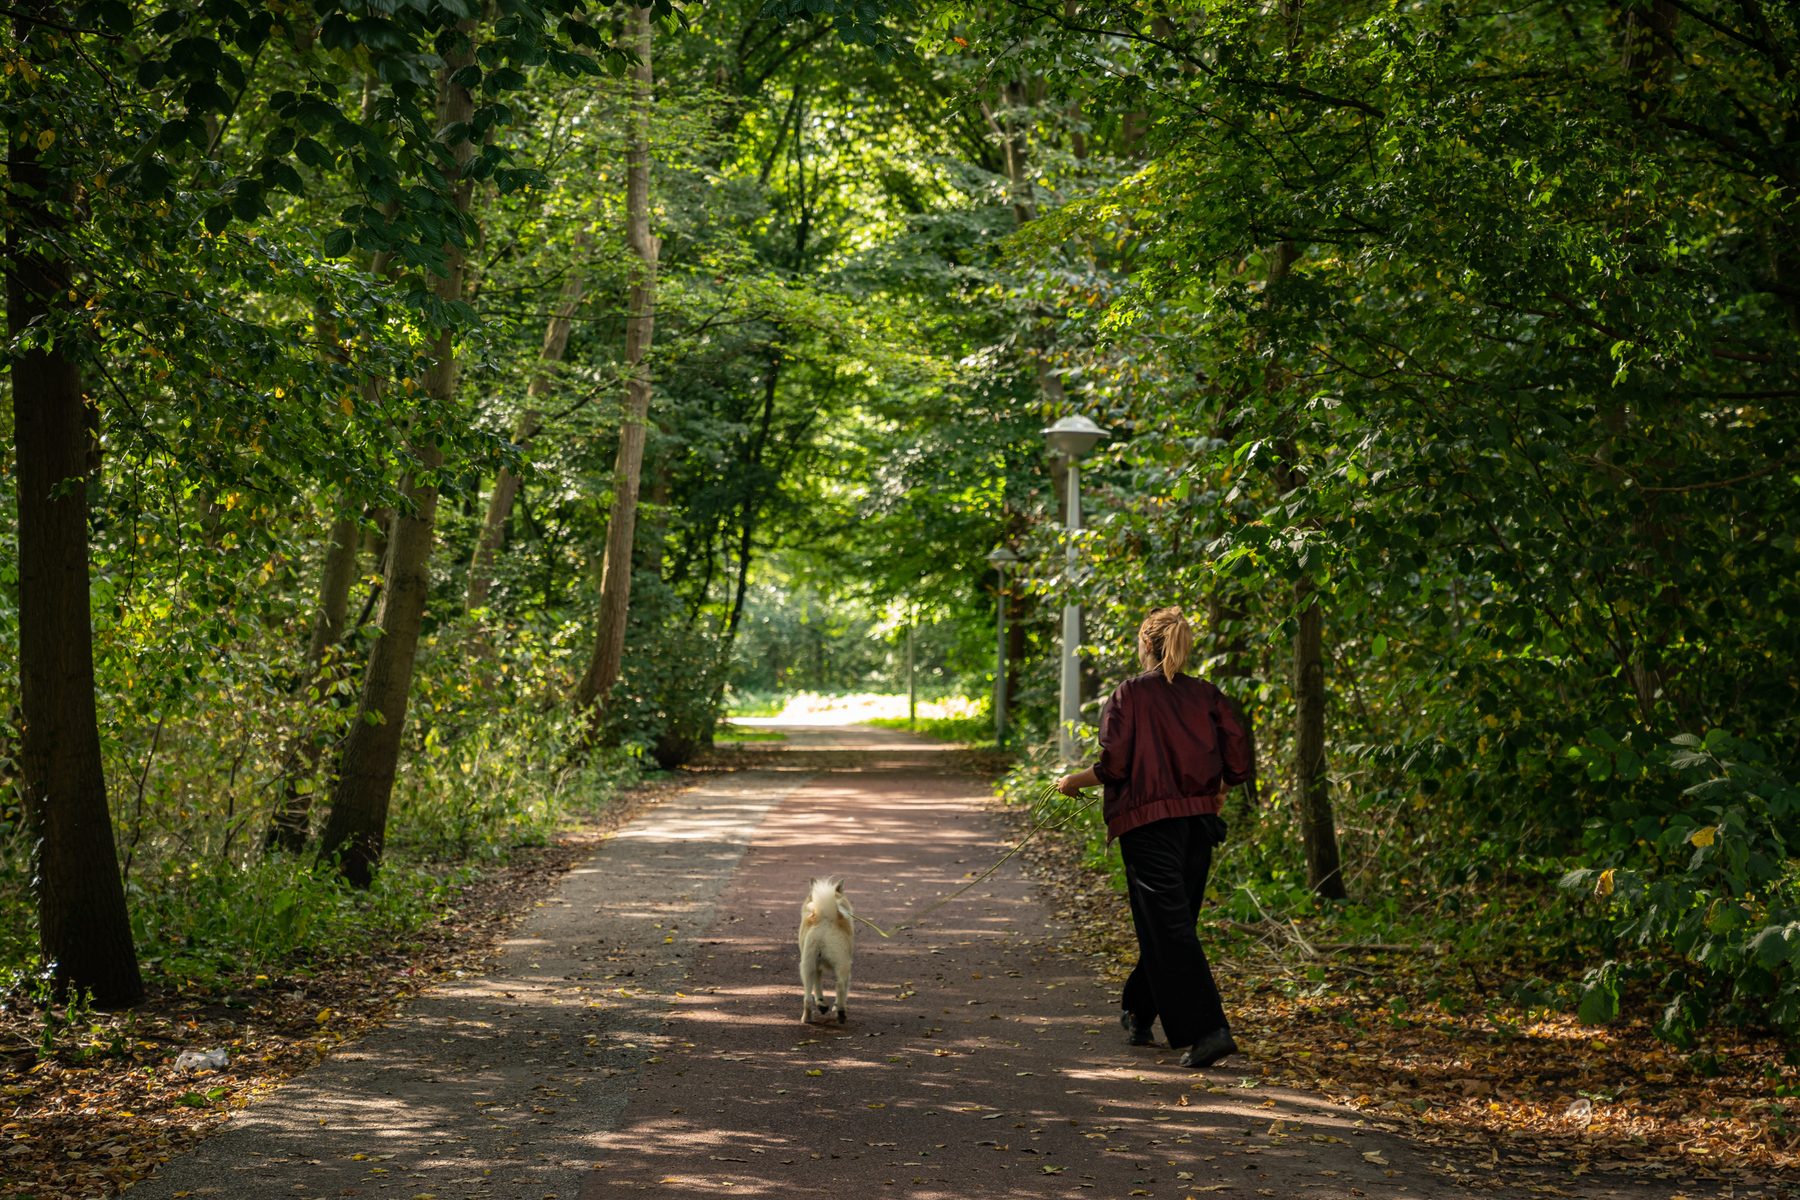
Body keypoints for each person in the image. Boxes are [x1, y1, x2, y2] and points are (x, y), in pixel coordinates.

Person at [1057, 606, 1254, 1068]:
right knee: (1172, 924)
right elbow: (1238, 764)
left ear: (1146, 643)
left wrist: (1072, 782)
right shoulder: (1207, 694)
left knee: (1170, 926)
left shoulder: (1130, 694)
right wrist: (1216, 790)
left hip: (1148, 827)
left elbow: (1115, 767)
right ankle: (1139, 1010)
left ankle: (1208, 1031)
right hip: (1197, 825)